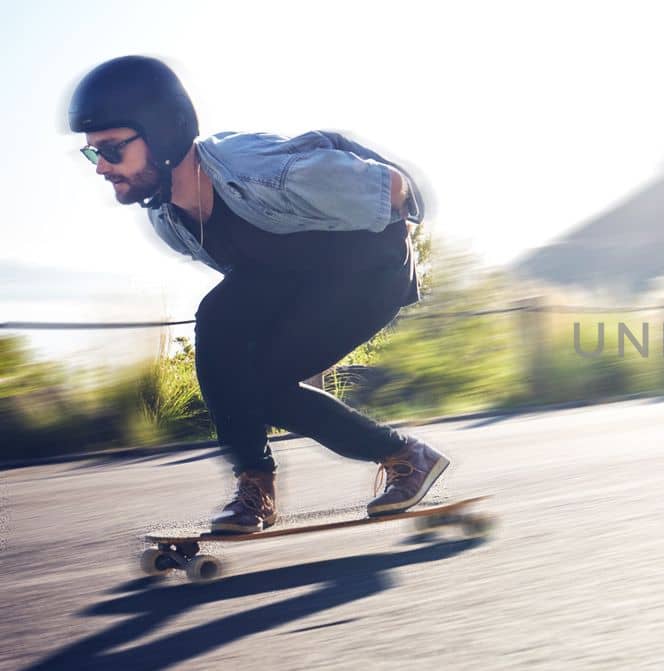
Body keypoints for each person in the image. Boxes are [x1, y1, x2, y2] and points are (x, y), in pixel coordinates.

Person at [68, 55, 449, 533]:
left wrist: (401, 211)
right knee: (223, 327)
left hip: (367, 274)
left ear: (162, 132)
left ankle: (404, 456)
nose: (101, 167)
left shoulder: (258, 171)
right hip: (294, 278)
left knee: (261, 378)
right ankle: (259, 486)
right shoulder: (168, 220)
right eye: (92, 154)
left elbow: (396, 191)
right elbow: (246, 279)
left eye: (112, 150)